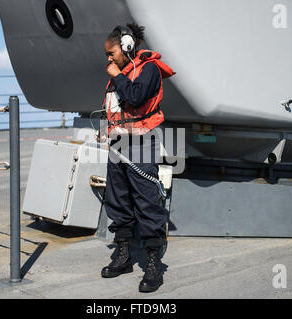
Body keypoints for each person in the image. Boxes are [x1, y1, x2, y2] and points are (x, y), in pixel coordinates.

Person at [100, 23, 175, 293]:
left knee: (146, 203)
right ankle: (124, 256)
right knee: (117, 201)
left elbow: (135, 96)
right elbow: (114, 109)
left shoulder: (149, 69)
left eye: (111, 53)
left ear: (127, 47)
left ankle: (154, 265)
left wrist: (118, 75)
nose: (108, 59)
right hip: (118, 144)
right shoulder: (119, 73)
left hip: (140, 144)